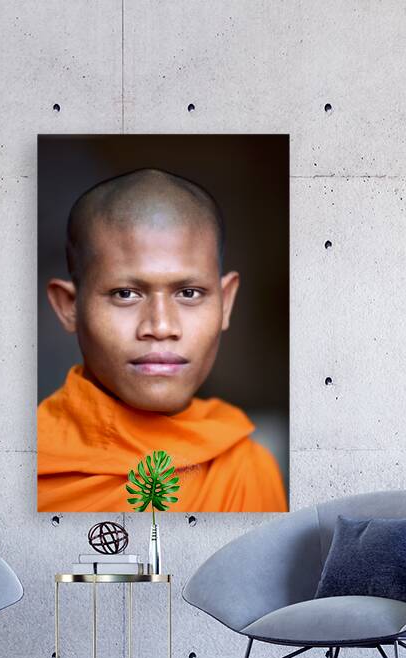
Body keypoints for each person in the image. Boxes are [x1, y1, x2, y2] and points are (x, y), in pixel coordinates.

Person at [38, 167, 288, 513]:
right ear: (69, 307)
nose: (161, 325)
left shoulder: (245, 467)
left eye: (189, 292)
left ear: (226, 302)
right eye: (125, 293)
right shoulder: (25, 464)